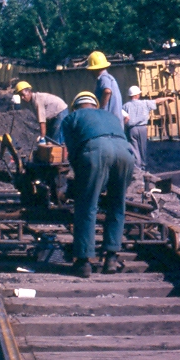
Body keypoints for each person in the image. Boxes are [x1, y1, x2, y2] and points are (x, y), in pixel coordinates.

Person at [62, 91, 135, 278]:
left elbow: (73, 154)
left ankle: (84, 262)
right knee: (117, 205)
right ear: (94, 105)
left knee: (87, 206)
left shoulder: (72, 117)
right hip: (126, 153)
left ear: (75, 106)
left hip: (96, 151)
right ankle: (111, 258)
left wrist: (80, 182)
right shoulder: (110, 115)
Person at [123, 86, 175, 170]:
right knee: (143, 148)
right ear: (137, 95)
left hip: (132, 129)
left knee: (135, 149)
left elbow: (124, 118)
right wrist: (168, 98)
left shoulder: (125, 106)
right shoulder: (145, 103)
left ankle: (137, 167)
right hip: (143, 128)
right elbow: (157, 101)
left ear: (129, 96)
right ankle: (143, 166)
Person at [87, 51, 124, 127]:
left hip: (110, 121)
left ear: (94, 69)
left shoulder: (103, 78)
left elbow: (107, 91)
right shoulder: (110, 78)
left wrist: (101, 109)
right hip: (116, 121)